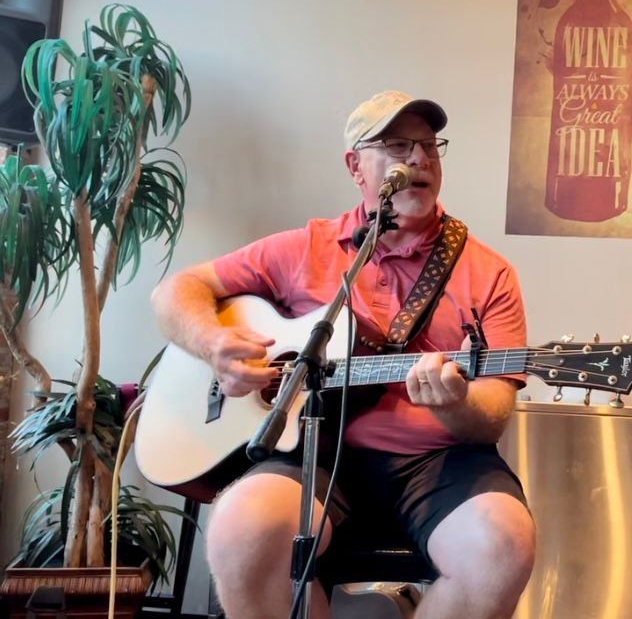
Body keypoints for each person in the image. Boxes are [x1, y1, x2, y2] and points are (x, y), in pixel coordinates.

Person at [150, 90, 536, 619]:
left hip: (441, 460)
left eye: (429, 146)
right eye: (398, 146)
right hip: (311, 448)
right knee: (240, 530)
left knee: (503, 546)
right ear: (356, 166)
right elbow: (176, 290)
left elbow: (492, 414)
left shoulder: (489, 272)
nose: (420, 158)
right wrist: (213, 343)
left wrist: (454, 403)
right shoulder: (304, 248)